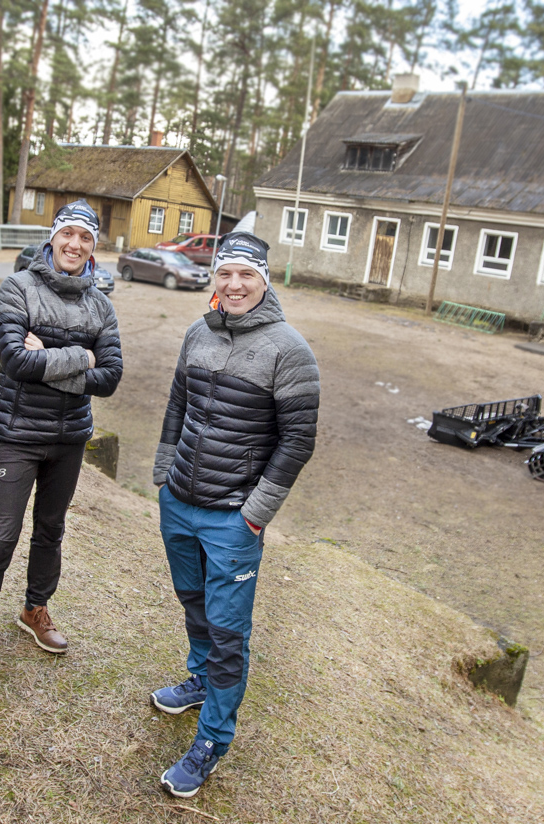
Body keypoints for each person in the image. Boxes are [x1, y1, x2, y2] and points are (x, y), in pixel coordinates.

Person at [149, 232, 319, 797]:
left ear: (265, 280)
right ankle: (199, 680)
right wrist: (162, 477)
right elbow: (178, 405)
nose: (234, 284)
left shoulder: (289, 349)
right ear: (214, 278)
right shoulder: (198, 331)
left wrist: (254, 514)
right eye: (225, 273)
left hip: (232, 519)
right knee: (193, 602)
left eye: (246, 274)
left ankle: (212, 740)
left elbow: (297, 442)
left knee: (228, 633)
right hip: (180, 502)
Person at [0, 200, 123, 703]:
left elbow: (109, 377)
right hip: (18, 434)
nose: (75, 244)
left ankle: (34, 608)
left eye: (85, 238)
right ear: (53, 238)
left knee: (51, 530)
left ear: (93, 247)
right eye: (67, 234)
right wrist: (78, 357)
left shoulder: (101, 305)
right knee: (0, 538)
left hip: (70, 439)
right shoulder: (18, 287)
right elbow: (15, 362)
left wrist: (45, 353)